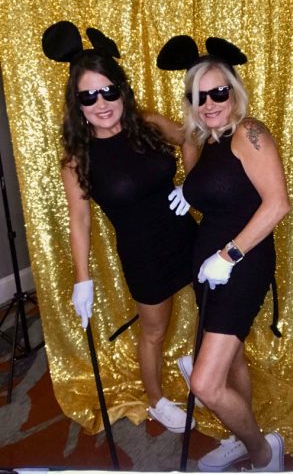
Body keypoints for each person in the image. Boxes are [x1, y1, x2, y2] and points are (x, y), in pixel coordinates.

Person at [42, 22, 197, 434]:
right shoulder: (78, 158)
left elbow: (190, 138)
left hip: (187, 235)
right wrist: (82, 280)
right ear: (77, 104)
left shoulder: (147, 122)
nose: (101, 103)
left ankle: (198, 366)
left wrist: (192, 185)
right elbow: (80, 220)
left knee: (215, 310)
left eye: (108, 91)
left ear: (122, 91)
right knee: (154, 331)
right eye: (88, 96)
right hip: (144, 254)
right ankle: (156, 400)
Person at [157, 36, 290, 471]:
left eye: (218, 92)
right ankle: (240, 437)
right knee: (231, 363)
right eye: (199, 97)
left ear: (234, 91)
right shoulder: (210, 140)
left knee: (205, 383)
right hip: (210, 270)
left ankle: (263, 452)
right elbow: (218, 185)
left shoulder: (250, 133)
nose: (210, 103)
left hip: (240, 266)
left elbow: (278, 204)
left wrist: (228, 256)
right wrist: (188, 188)